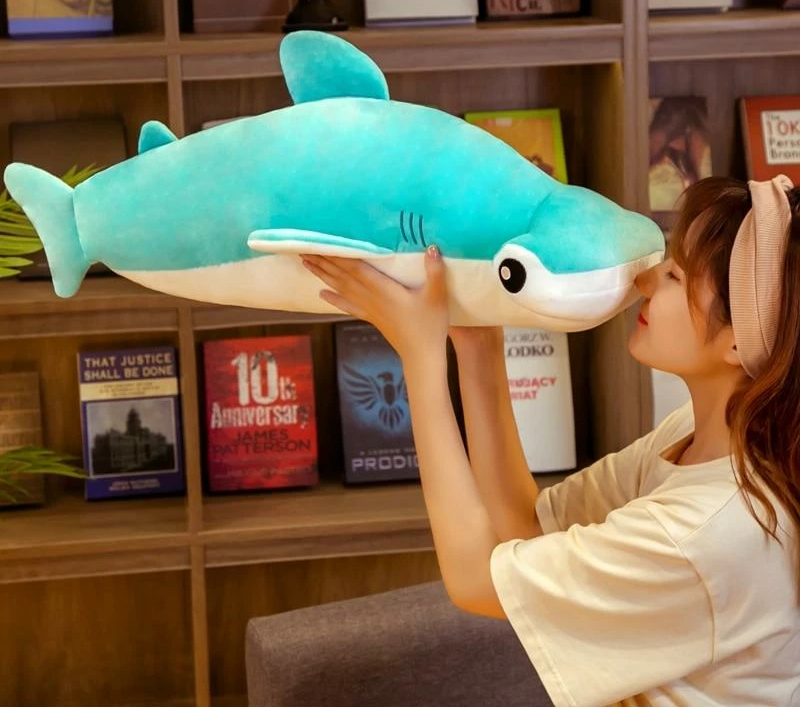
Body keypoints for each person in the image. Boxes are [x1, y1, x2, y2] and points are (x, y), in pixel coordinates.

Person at [300, 173, 800, 707]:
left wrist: (420, 358)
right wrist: (477, 342)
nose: (645, 280)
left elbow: (474, 581)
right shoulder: (703, 437)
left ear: (740, 339)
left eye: (676, 275)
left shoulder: (708, 531)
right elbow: (528, 524)